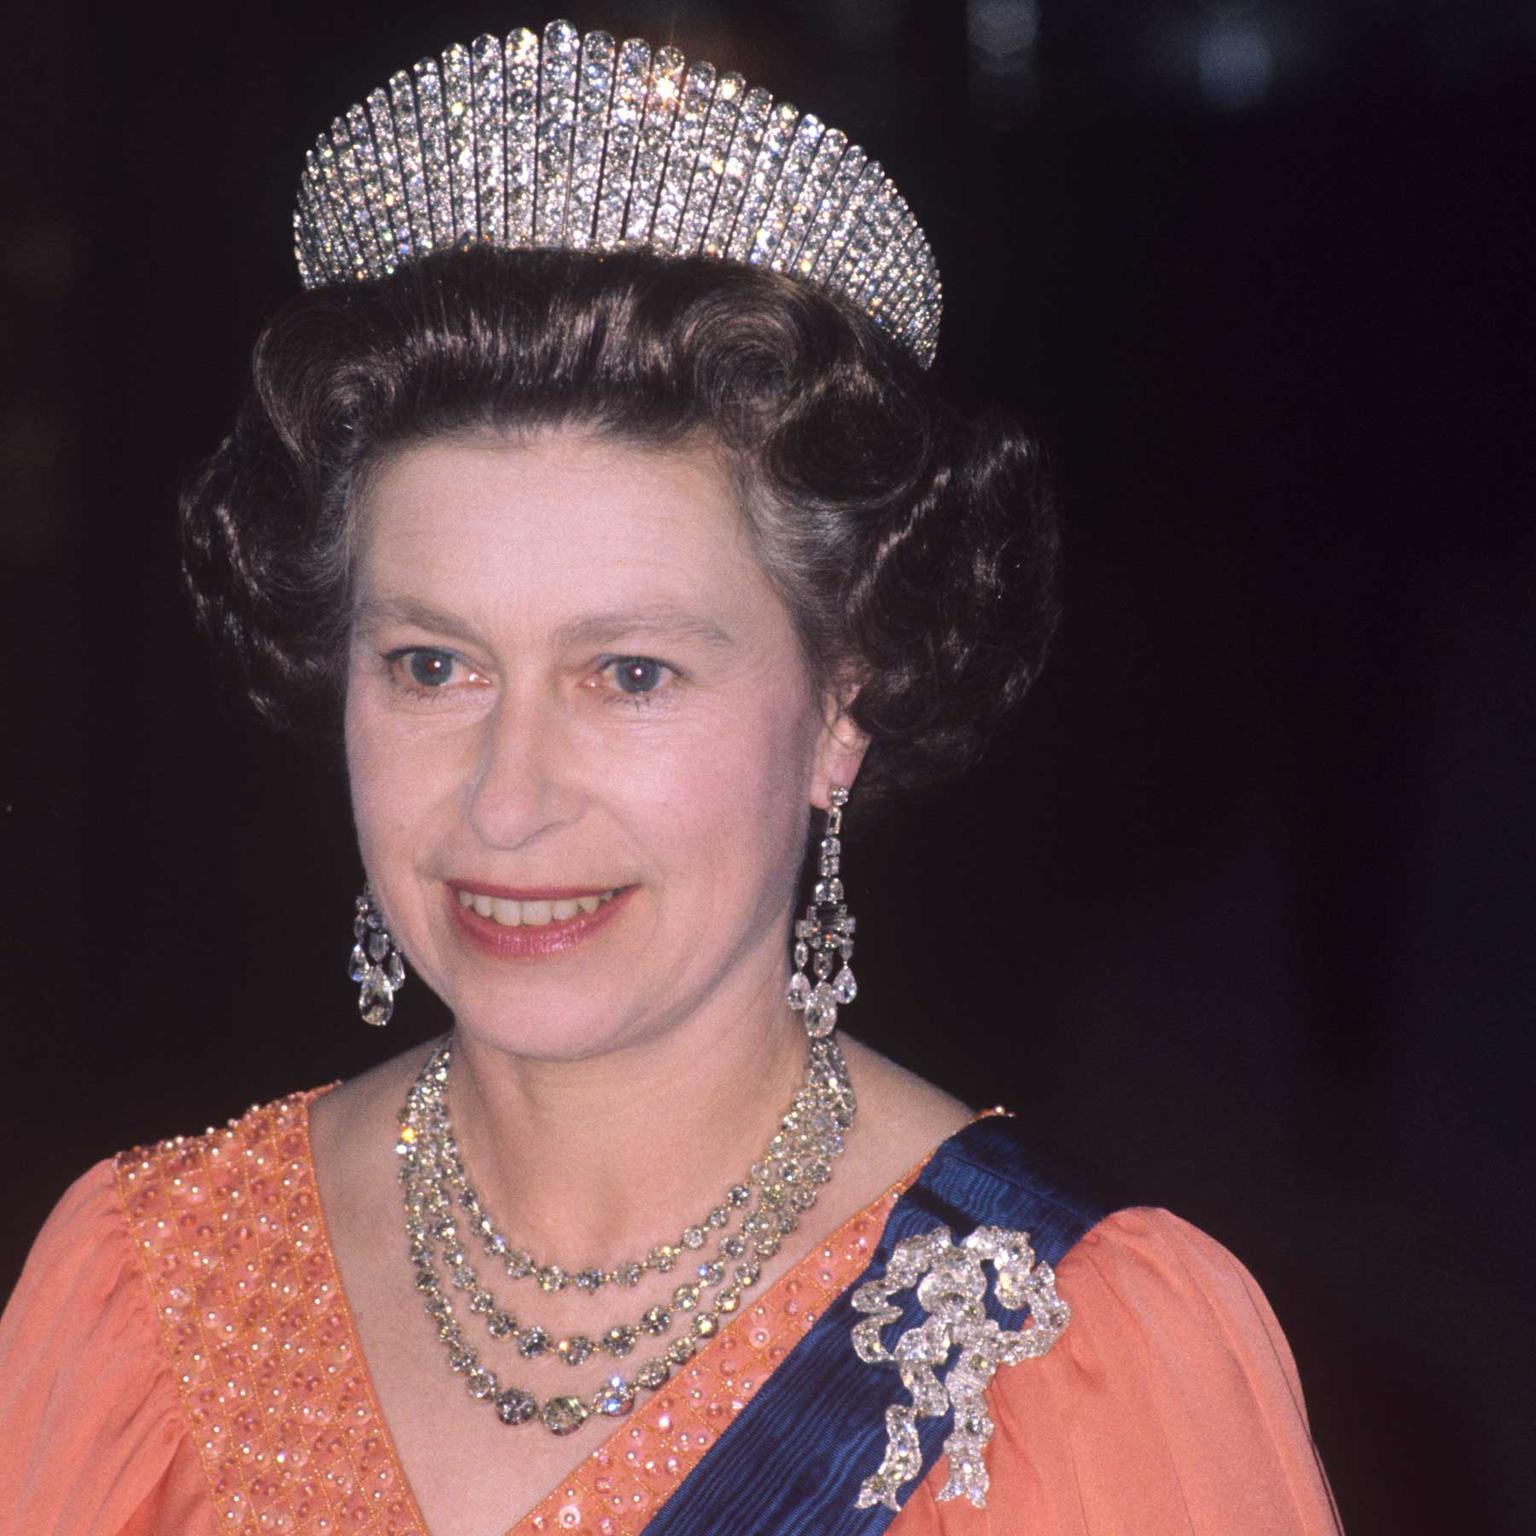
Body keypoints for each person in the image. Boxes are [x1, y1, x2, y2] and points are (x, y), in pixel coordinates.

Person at [0, 20, 1342, 1536]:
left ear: (846, 702)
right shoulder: (145, 1288)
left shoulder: (1069, 1362)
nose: (506, 803)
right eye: (433, 666)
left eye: (630, 675)